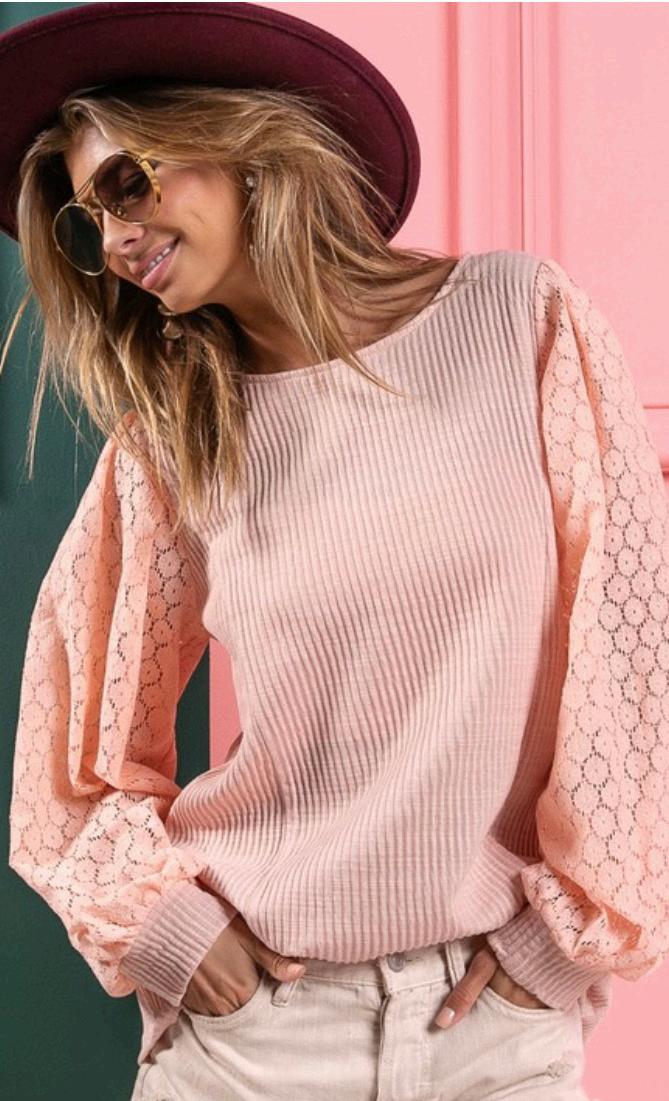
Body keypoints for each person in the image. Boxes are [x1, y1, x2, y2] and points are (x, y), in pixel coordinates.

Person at [2, 4, 668, 1100]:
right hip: (256, 1039)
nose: (114, 241)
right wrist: (169, 931)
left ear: (239, 141)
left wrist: (556, 951)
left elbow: (636, 658)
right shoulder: (177, 435)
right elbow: (68, 748)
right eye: (87, 224)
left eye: (127, 184)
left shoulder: (522, 322)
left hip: (495, 1035)